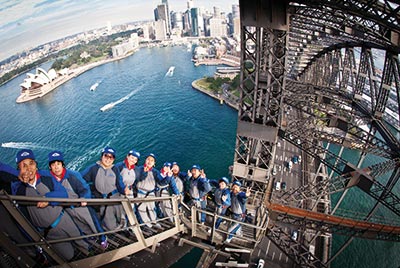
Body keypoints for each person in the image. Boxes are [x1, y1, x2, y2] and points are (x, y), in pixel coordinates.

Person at [11, 149, 89, 260]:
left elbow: (63, 193)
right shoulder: (18, 191)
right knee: (68, 256)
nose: (29, 168)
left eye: (31, 163)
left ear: (36, 165)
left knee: (82, 242)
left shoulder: (46, 176)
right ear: (19, 170)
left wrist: (48, 199)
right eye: (24, 166)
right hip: (49, 233)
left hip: (63, 219)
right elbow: (23, 218)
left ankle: (90, 255)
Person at [46, 150, 108, 249]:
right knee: (80, 224)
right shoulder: (49, 180)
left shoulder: (72, 175)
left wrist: (84, 198)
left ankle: (102, 237)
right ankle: (91, 237)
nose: (56, 167)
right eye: (53, 164)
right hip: (67, 208)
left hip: (81, 205)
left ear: (63, 164)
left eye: (58, 163)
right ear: (50, 167)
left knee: (93, 222)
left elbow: (85, 188)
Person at [81, 146, 129, 231]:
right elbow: (80, 180)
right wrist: (83, 194)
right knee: (109, 224)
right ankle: (112, 232)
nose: (108, 159)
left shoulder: (115, 169)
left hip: (115, 197)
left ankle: (124, 229)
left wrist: (124, 190)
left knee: (120, 216)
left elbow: (119, 183)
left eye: (111, 157)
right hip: (102, 199)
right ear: (101, 156)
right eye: (106, 156)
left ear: (113, 159)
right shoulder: (93, 168)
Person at [134, 153, 162, 228]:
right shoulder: (139, 169)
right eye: (148, 159)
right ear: (145, 160)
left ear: (154, 163)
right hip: (140, 193)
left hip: (151, 193)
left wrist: (167, 176)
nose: (149, 161)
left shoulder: (155, 172)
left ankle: (154, 222)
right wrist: (144, 172)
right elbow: (137, 179)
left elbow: (161, 182)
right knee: (141, 210)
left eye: (152, 160)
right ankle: (147, 225)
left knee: (151, 209)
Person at [115, 148, 140, 226]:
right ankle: (123, 226)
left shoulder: (136, 169)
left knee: (131, 209)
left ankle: (132, 226)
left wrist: (135, 193)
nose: (133, 160)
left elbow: (136, 182)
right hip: (118, 191)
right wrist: (122, 189)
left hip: (130, 191)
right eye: (132, 157)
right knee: (121, 210)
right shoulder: (119, 166)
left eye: (135, 159)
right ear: (127, 156)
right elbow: (114, 179)